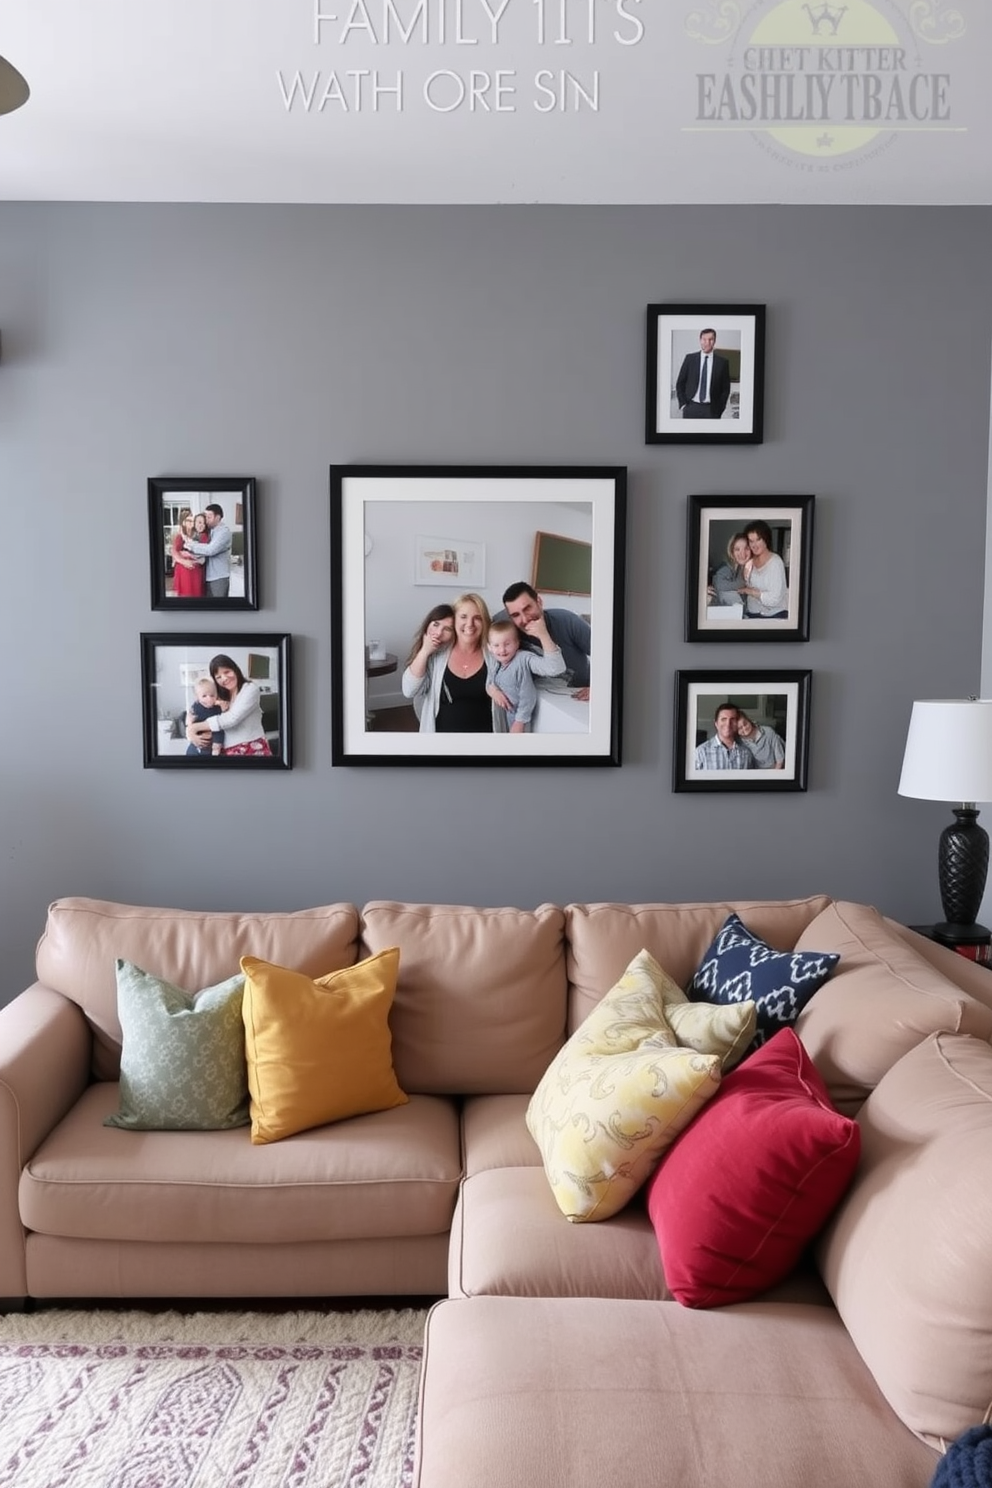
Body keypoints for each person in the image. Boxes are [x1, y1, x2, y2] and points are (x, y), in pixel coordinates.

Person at [402, 593, 494, 734]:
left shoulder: (495, 656)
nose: (470, 624)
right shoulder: (437, 656)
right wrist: (424, 652)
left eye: (477, 618)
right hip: (441, 741)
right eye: (463, 617)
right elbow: (409, 690)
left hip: (485, 742)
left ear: (485, 622)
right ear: (454, 621)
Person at [495, 582, 592, 701]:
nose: (524, 619)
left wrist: (599, 687)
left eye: (527, 608)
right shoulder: (508, 633)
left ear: (539, 602)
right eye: (516, 615)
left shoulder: (567, 621)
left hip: (582, 692)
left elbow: (608, 654)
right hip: (544, 701)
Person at [485, 618, 565, 734]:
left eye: (507, 644)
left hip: (522, 717)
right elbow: (490, 681)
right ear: (490, 647)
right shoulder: (495, 661)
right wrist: (492, 690)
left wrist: (520, 722)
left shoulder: (523, 659)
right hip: (508, 713)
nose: (502, 650)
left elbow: (528, 695)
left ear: (517, 643)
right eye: (496, 645)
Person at [185, 654, 272, 757]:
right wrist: (190, 730)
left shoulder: (250, 689)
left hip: (251, 748)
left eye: (227, 672)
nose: (224, 678)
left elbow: (231, 719)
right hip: (225, 751)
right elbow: (197, 710)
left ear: (235, 669)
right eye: (218, 677)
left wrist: (194, 728)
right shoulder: (218, 695)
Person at [675, 327, 732, 421]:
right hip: (691, 407)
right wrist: (683, 404)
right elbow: (680, 383)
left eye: (710, 339)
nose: (707, 342)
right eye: (704, 339)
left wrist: (720, 409)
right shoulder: (690, 359)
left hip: (711, 410)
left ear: (714, 341)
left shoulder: (723, 363)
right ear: (700, 340)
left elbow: (725, 389)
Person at [738, 519, 789, 619]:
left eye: (758, 539)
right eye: (751, 541)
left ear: (766, 539)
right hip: (752, 614)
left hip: (774, 616)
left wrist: (751, 592)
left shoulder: (775, 562)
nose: (754, 545)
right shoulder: (748, 562)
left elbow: (774, 599)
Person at [183, 503, 232, 599]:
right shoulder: (211, 531)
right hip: (209, 576)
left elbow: (211, 550)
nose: (206, 520)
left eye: (209, 517)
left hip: (219, 578)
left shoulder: (224, 532)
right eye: (205, 516)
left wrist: (191, 546)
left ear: (218, 517)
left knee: (220, 609)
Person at [693, 702, 755, 771]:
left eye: (732, 719)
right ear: (716, 723)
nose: (728, 724)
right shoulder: (700, 752)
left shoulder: (746, 754)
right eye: (723, 719)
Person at [707, 532, 751, 608]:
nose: (742, 553)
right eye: (737, 549)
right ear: (732, 552)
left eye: (746, 548)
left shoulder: (744, 566)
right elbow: (719, 585)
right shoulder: (725, 568)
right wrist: (744, 583)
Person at [185, 676, 226, 757]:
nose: (209, 699)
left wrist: (223, 708)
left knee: (219, 732)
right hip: (198, 741)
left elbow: (223, 721)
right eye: (204, 696)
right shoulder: (196, 706)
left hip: (214, 740)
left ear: (216, 695)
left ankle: (216, 749)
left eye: (212, 695)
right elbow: (189, 722)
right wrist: (189, 722)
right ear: (197, 697)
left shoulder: (217, 707)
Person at [170, 510, 206, 598]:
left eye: (193, 520)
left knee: (198, 594)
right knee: (186, 595)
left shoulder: (198, 534)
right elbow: (174, 551)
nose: (192, 523)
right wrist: (183, 561)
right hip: (184, 570)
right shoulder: (180, 536)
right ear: (183, 522)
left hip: (197, 569)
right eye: (189, 521)